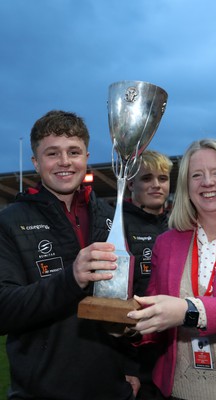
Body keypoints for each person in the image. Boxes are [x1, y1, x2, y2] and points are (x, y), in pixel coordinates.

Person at [0, 110, 139, 400]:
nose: (64, 161)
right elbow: (4, 310)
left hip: (112, 389)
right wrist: (71, 278)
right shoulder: (10, 221)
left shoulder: (110, 216)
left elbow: (128, 298)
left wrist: (132, 365)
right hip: (41, 391)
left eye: (73, 151)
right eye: (52, 153)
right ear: (36, 163)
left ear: (86, 157)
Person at [127, 139, 216, 400]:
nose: (207, 182)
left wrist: (189, 311)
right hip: (178, 391)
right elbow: (153, 317)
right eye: (196, 175)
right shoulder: (167, 243)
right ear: (186, 186)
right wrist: (128, 327)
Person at [123, 150, 173, 399]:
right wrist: (125, 366)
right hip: (137, 355)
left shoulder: (180, 224)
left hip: (176, 347)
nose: (156, 185)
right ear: (131, 183)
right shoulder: (117, 226)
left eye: (163, 178)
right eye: (147, 178)